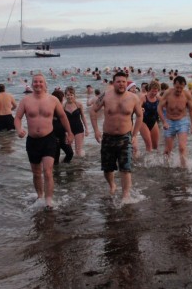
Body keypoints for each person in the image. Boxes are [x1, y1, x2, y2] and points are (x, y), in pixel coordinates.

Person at [14, 74, 74, 210]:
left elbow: (63, 117)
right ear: (32, 84)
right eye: (35, 82)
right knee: (36, 173)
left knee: (47, 172)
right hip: (32, 141)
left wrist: (69, 133)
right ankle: (40, 196)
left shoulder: (53, 100)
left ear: (45, 84)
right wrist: (19, 129)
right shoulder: (25, 101)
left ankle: (48, 201)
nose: (37, 84)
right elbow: (17, 118)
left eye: (40, 82)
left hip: (49, 139)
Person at [90, 71, 143, 202]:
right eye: (118, 81)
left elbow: (140, 115)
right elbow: (93, 110)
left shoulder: (133, 98)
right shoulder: (105, 96)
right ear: (113, 83)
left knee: (126, 168)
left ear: (127, 83)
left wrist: (135, 134)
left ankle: (126, 195)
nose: (121, 84)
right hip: (108, 137)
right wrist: (96, 131)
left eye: (124, 82)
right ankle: (112, 185)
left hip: (125, 137)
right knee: (107, 169)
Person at [157, 75, 192, 168]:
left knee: (182, 148)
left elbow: (191, 110)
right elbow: (159, 108)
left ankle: (184, 168)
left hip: (182, 121)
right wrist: (164, 122)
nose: (179, 90)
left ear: (184, 87)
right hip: (169, 122)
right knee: (167, 151)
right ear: (173, 85)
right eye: (177, 87)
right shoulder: (167, 93)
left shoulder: (187, 94)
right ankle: (166, 168)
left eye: (181, 88)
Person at [64, 86, 89, 157]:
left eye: (71, 95)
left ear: (74, 95)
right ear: (65, 95)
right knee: (70, 151)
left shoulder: (79, 105)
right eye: (68, 95)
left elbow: (83, 117)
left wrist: (86, 129)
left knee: (78, 151)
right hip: (68, 130)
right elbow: (61, 120)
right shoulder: (63, 106)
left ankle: (80, 164)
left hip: (79, 129)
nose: (69, 97)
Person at [52, 89, 74, 164]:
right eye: (63, 97)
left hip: (62, 136)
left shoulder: (62, 108)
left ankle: (64, 165)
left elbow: (65, 122)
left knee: (70, 153)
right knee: (56, 159)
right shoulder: (51, 110)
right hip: (54, 137)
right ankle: (56, 173)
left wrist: (68, 133)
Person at [139, 80, 161, 152]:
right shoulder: (143, 98)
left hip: (153, 122)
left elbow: (166, 106)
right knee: (149, 144)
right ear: (149, 89)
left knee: (155, 146)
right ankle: (147, 162)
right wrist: (141, 109)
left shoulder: (158, 98)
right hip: (143, 122)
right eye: (153, 91)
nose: (154, 93)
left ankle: (156, 161)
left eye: (156, 91)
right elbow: (137, 108)